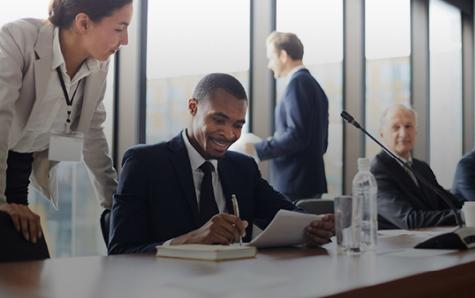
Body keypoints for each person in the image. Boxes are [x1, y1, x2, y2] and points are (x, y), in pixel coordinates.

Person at [108, 73, 334, 254]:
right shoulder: (144, 164)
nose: (228, 134)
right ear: (193, 108)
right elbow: (120, 251)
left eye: (238, 125)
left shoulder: (243, 168)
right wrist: (191, 240)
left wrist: (314, 227)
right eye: (218, 120)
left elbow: (288, 214)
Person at [0, 0, 132, 259]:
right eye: (119, 28)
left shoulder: (98, 64)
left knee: (27, 265)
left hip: (18, 169)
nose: (125, 40)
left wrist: (116, 206)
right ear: (83, 23)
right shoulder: (17, 39)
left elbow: (93, 132)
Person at [371, 105, 475, 230]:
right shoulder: (378, 170)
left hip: (429, 242)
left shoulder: (421, 167)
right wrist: (473, 214)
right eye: (396, 127)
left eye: (408, 126)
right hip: (396, 250)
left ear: (416, 131)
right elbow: (409, 220)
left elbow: (450, 202)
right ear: (382, 134)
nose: (404, 133)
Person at [245, 31, 329, 202]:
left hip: (295, 182)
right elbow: (317, 140)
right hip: (306, 180)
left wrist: (257, 148)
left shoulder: (298, 84)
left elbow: (297, 135)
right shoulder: (313, 85)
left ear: (283, 55)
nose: (269, 65)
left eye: (271, 58)